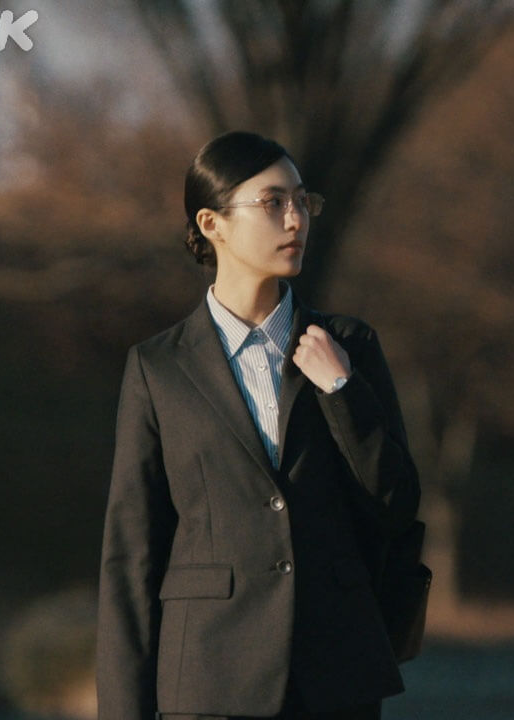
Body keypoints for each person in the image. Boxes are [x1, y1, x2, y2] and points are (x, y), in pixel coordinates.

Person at [97, 131, 419, 720]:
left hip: (334, 681)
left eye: (302, 201)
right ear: (212, 224)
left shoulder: (349, 345)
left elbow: (395, 504)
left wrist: (342, 391)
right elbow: (133, 556)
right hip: (208, 681)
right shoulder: (157, 368)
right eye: (273, 202)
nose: (296, 219)